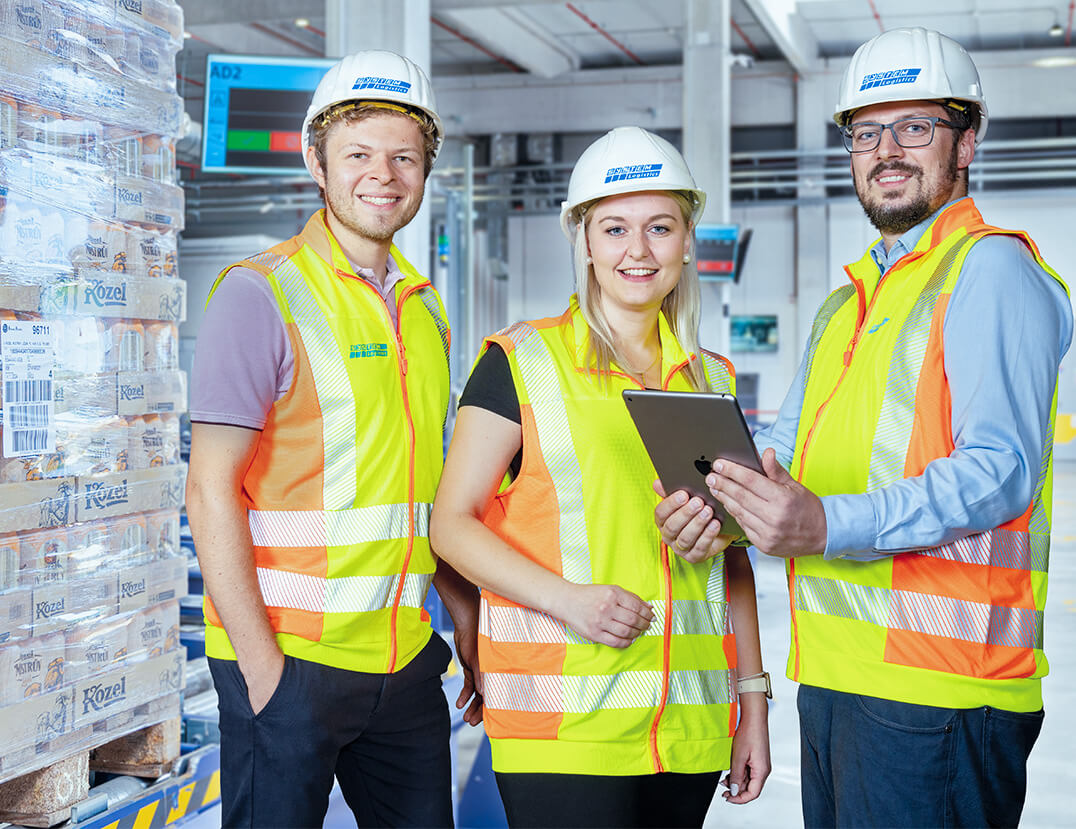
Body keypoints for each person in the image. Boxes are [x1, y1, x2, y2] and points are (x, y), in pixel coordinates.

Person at [656, 26, 1072, 828]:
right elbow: (786, 459)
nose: (887, 149)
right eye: (867, 131)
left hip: (942, 691)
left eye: (915, 127)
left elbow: (1001, 469)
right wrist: (719, 504)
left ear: (967, 142)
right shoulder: (845, 304)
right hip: (839, 678)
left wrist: (826, 521)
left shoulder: (991, 270)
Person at [430, 126, 771, 828]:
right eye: (614, 228)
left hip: (691, 727)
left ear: (685, 241)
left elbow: (731, 557)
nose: (637, 251)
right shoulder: (520, 361)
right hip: (566, 728)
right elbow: (450, 523)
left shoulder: (711, 379)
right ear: (584, 242)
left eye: (659, 227)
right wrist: (568, 600)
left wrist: (754, 703)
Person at [185, 50, 481, 828]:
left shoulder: (425, 310)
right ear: (316, 161)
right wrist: (263, 672)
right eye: (357, 154)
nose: (381, 175)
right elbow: (209, 488)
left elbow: (430, 498)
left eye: (403, 157)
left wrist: (468, 627)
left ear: (424, 172)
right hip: (290, 665)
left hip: (405, 662)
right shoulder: (260, 294)